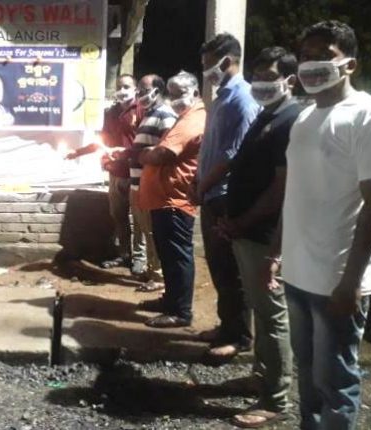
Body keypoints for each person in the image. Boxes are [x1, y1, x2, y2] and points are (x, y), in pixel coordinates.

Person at [280, 21, 371, 429]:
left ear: (350, 64)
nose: (311, 63)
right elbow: (296, 192)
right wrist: (278, 253)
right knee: (308, 376)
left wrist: (351, 281)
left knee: (336, 382)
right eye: (305, 55)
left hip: (336, 280)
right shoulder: (305, 117)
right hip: (297, 274)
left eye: (323, 55)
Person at [220, 47, 302, 428]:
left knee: (272, 316)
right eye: (257, 76)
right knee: (259, 307)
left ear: (289, 79)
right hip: (246, 230)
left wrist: (244, 220)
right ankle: (261, 375)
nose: (261, 83)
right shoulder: (267, 115)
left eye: (270, 76)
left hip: (265, 235)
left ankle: (276, 398)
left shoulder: (291, 120)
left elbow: (280, 188)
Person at [195, 33, 261, 360]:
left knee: (232, 270)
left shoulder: (243, 99)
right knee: (219, 267)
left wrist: (203, 185)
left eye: (210, 64)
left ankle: (241, 337)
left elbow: (234, 155)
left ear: (227, 61)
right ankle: (226, 325)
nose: (207, 71)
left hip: (225, 196)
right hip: (212, 194)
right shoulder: (222, 97)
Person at [137, 71, 205, 328]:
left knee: (177, 256)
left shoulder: (193, 120)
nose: (174, 99)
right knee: (168, 254)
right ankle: (171, 299)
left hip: (175, 200)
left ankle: (180, 312)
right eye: (172, 93)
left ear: (195, 93)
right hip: (165, 199)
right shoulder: (185, 117)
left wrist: (141, 155)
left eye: (180, 94)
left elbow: (162, 154)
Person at [68, 74, 141, 271]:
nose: (122, 91)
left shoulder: (142, 110)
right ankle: (124, 255)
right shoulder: (110, 113)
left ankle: (140, 259)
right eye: (119, 87)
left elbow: (148, 143)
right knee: (119, 216)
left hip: (137, 174)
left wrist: (129, 154)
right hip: (115, 173)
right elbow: (102, 141)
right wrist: (78, 152)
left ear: (135, 89)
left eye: (126, 86)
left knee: (140, 220)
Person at [129, 74, 176, 285]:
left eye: (144, 90)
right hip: (138, 184)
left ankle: (158, 277)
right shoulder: (149, 115)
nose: (140, 94)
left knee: (153, 232)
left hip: (150, 185)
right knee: (146, 230)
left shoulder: (165, 115)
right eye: (138, 90)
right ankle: (152, 270)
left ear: (157, 90)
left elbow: (166, 152)